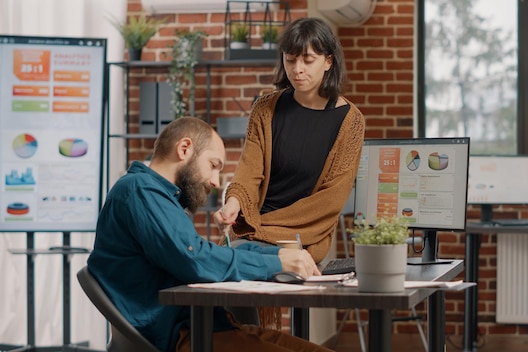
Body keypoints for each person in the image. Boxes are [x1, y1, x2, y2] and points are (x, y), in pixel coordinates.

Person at [87, 117, 329, 352]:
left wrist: (281, 254)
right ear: (184, 148)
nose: (215, 181)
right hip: (187, 337)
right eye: (213, 166)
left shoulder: (158, 197)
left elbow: (209, 254)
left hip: (209, 328)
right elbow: (196, 259)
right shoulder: (139, 191)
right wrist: (277, 262)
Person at [215, 17, 365, 265]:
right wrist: (233, 203)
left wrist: (264, 228)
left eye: (308, 60)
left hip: (303, 235)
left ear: (328, 61)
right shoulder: (264, 109)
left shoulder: (351, 121)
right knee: (227, 265)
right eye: (290, 59)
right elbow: (248, 173)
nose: (297, 69)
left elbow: (330, 201)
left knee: (235, 262)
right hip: (252, 229)